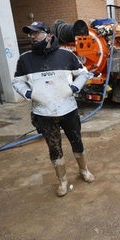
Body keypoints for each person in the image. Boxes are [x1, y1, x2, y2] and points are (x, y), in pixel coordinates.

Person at [12, 21, 95, 197]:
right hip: (44, 113)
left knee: (77, 142)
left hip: (68, 110)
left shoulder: (66, 55)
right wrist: (28, 93)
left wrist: (74, 88)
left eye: (36, 33)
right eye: (30, 33)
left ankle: (84, 170)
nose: (32, 36)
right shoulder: (25, 59)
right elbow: (17, 81)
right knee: (54, 148)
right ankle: (63, 181)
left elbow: (83, 73)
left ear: (49, 35)